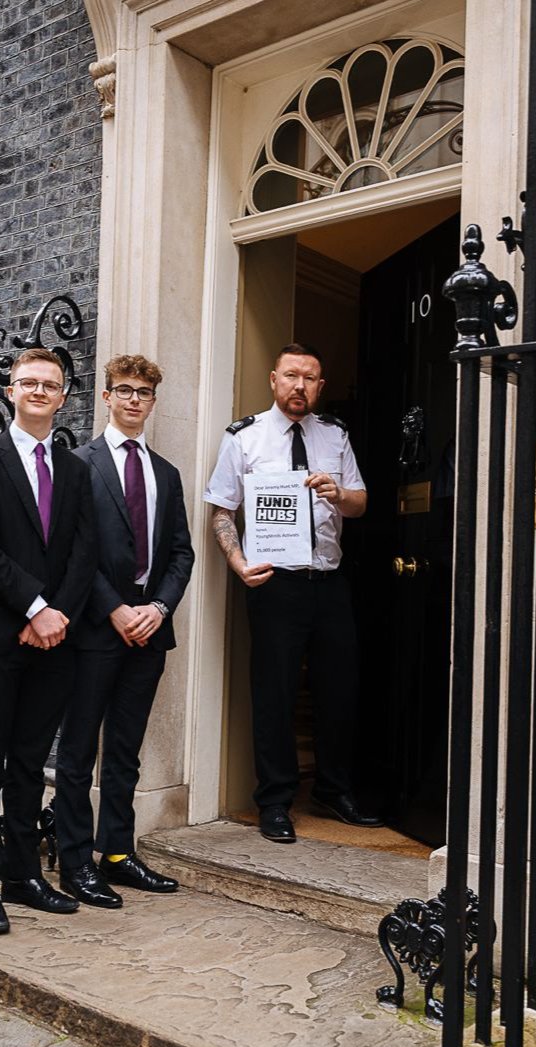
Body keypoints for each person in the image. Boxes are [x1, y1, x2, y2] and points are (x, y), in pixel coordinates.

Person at [203, 342, 379, 844]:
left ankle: (333, 789)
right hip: (274, 584)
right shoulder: (244, 437)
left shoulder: (335, 435)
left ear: (320, 386)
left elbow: (361, 503)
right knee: (274, 694)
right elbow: (221, 509)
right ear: (273, 379)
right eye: (291, 376)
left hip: (328, 581)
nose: (300, 386)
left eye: (310, 378)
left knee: (338, 689)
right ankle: (275, 801)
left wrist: (337, 494)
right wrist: (237, 564)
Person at [0, 347, 96, 935]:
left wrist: (57, 615)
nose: (39, 391)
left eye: (50, 384)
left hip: (54, 641)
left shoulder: (78, 470)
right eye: (28, 382)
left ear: (63, 398)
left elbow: (87, 552)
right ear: (10, 392)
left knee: (31, 765)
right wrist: (36, 607)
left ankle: (22, 875)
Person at [55, 355, 195, 908]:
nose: (135, 400)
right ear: (107, 397)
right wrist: (114, 609)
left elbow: (180, 552)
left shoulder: (166, 472)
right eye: (125, 390)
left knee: (126, 750)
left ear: (153, 402)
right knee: (77, 750)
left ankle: (117, 852)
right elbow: (72, 551)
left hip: (150, 631)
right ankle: (73, 861)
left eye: (144, 392)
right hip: (96, 627)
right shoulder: (79, 464)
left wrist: (159, 607)